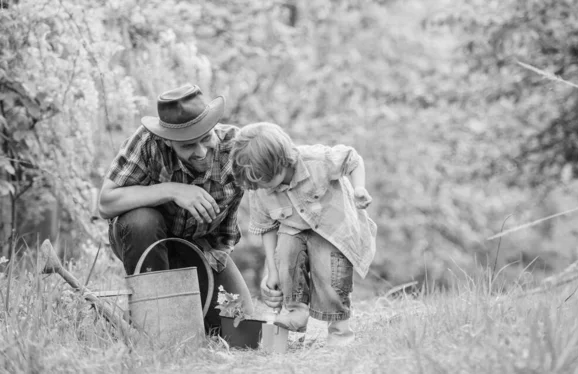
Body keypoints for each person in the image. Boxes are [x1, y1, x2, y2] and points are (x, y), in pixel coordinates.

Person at [98, 83, 253, 333]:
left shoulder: (235, 148)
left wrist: (206, 279)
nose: (201, 153)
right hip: (145, 240)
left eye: (205, 139)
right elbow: (106, 203)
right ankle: (154, 323)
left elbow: (270, 189)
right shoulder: (147, 142)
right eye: (188, 146)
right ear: (167, 140)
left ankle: (184, 310)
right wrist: (172, 190)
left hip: (202, 248)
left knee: (239, 327)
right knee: (142, 220)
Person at [230, 122, 377, 346]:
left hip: (332, 230)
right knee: (286, 251)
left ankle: (340, 333)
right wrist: (272, 271)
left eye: (264, 179)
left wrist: (359, 188)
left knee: (332, 273)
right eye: (255, 182)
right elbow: (267, 227)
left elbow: (353, 159)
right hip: (293, 230)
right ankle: (295, 311)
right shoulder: (259, 188)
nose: (261, 186)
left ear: (280, 162)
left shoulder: (317, 161)